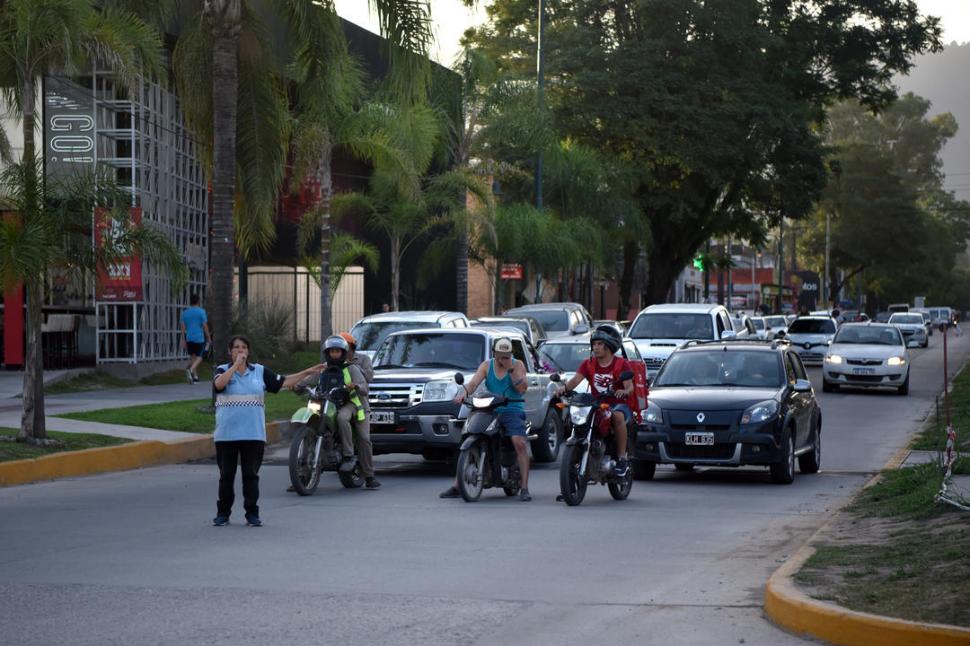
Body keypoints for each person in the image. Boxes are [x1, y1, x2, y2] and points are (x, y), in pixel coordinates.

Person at [212, 335, 327, 527]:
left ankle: (252, 514)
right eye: (236, 348)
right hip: (227, 435)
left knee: (251, 476)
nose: (240, 351)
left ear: (248, 351)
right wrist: (234, 367)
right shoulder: (222, 370)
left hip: (253, 434)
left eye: (243, 348)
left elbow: (283, 382)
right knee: (226, 476)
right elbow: (219, 385)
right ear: (230, 352)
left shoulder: (259, 372)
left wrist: (308, 372)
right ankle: (223, 513)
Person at [440, 337, 532, 501]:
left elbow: (522, 389)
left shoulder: (517, 365)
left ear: (511, 353)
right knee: (468, 434)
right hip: (490, 408)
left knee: (519, 442)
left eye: (506, 354)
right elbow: (473, 384)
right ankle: (457, 485)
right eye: (500, 354)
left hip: (512, 408)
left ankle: (524, 487)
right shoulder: (486, 365)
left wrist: (510, 369)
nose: (503, 357)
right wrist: (464, 394)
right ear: (494, 353)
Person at [554, 326, 634, 477]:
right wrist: (563, 389)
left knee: (617, 416)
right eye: (594, 344)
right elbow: (576, 380)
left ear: (609, 346)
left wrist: (624, 391)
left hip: (618, 404)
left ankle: (622, 458)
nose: (595, 348)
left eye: (599, 344)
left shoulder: (621, 364)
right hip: (597, 403)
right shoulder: (588, 364)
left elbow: (630, 387)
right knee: (578, 419)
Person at [325, 335, 381, 489]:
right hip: (332, 403)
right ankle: (303, 472)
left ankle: (368, 475)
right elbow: (311, 377)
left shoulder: (355, 365)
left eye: (339, 349)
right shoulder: (325, 367)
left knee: (363, 438)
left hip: (356, 403)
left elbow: (366, 385)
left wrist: (355, 386)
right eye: (332, 351)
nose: (335, 353)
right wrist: (297, 385)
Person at [180, 294, 211, 384]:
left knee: (193, 358)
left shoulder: (185, 313)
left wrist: (183, 339)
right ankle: (191, 370)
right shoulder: (201, 312)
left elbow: (183, 328)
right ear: (198, 301)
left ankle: (195, 377)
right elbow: (205, 326)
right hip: (199, 338)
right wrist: (209, 338)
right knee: (200, 357)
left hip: (189, 337)